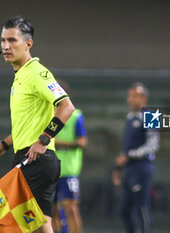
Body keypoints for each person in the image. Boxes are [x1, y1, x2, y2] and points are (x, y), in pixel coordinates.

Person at [0, 16, 75, 233]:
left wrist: (43, 140)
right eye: (3, 40)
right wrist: (5, 145)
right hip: (35, 160)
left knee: (6, 221)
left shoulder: (36, 73)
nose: (6, 46)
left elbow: (66, 107)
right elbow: (28, 124)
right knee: (43, 224)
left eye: (12, 40)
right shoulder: (21, 76)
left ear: (28, 44)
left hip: (35, 161)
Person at [112, 82, 159, 233]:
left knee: (141, 207)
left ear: (144, 98)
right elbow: (127, 146)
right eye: (130, 96)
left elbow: (153, 145)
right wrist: (118, 168)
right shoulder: (130, 117)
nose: (131, 99)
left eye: (135, 96)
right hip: (129, 169)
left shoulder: (151, 116)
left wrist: (130, 155)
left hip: (142, 167)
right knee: (124, 210)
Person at [52, 80, 88, 233]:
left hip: (68, 170)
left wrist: (60, 143)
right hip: (51, 170)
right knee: (51, 211)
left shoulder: (75, 116)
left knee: (70, 208)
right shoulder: (46, 114)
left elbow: (82, 142)